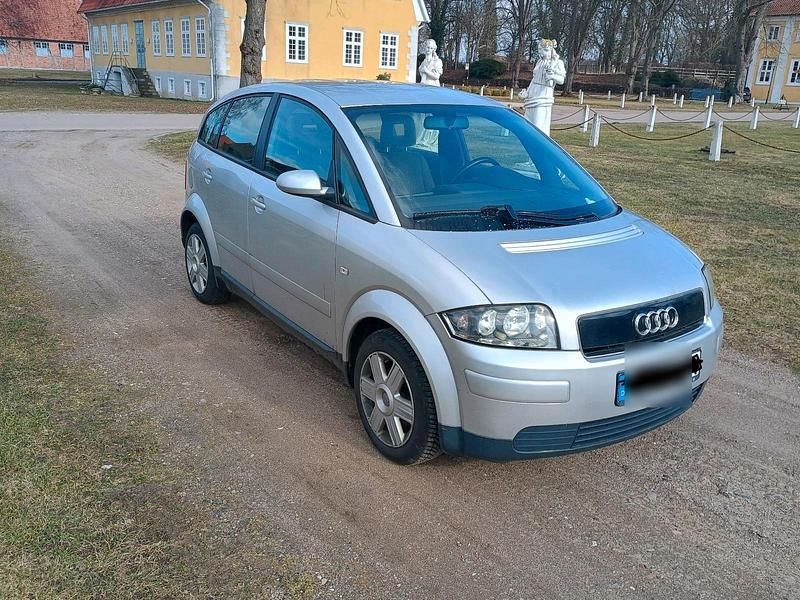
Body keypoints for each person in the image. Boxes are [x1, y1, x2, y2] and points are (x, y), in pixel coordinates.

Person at [519, 39, 567, 137]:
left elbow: (561, 80)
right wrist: (526, 93)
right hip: (533, 93)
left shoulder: (558, 63)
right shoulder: (539, 62)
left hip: (543, 95)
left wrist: (551, 76)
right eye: (540, 50)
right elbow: (534, 79)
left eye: (545, 50)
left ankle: (538, 146)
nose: (541, 52)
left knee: (538, 126)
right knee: (528, 123)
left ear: (551, 50)